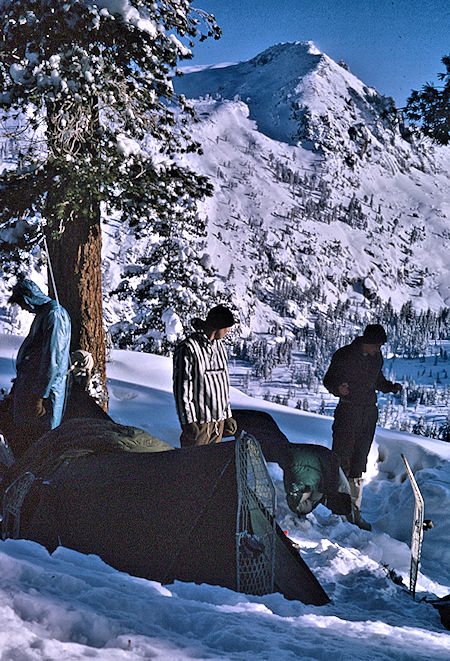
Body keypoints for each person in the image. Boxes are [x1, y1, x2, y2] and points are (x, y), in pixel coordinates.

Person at [323, 323, 402, 530]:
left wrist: (389, 387)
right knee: (341, 458)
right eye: (377, 345)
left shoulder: (376, 357)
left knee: (359, 461)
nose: (379, 350)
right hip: (348, 412)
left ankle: (353, 511)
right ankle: (336, 509)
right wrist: (337, 388)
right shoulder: (344, 355)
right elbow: (328, 379)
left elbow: (377, 379)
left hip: (368, 413)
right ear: (367, 342)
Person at [8, 278, 71, 447]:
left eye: (22, 303)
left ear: (28, 299)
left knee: (39, 440)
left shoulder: (54, 315)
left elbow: (53, 358)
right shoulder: (45, 314)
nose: (23, 308)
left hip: (42, 395)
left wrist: (40, 396)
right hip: (33, 390)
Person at [173, 304, 237, 447]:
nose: (228, 330)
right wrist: (188, 422)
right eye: (226, 326)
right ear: (217, 326)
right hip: (199, 425)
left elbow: (223, 386)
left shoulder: (220, 347)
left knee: (213, 467)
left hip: (218, 424)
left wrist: (227, 416)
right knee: (193, 467)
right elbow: (182, 389)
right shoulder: (188, 348)